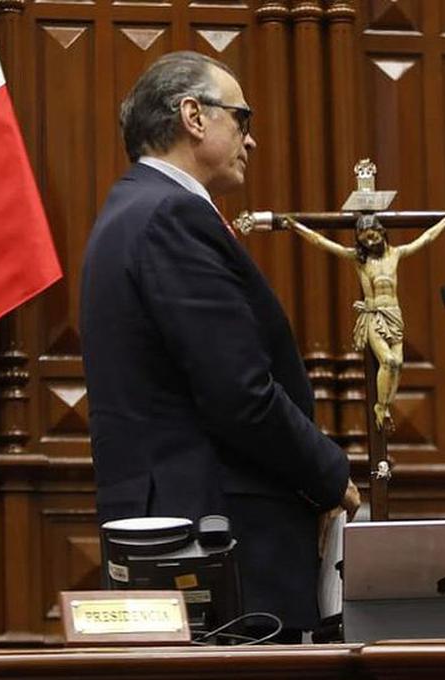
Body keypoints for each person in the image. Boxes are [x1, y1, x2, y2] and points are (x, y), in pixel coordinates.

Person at [80, 51, 359, 642]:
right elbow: (240, 393)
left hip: (167, 523)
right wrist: (330, 472)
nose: (251, 140)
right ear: (194, 116)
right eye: (242, 118)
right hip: (214, 531)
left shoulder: (130, 209)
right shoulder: (171, 215)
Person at [282, 210, 445, 431]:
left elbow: (427, 237)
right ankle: (381, 408)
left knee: (399, 364)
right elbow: (322, 242)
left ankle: (386, 404)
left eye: (372, 233)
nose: (369, 239)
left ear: (382, 232)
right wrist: (295, 226)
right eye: (364, 236)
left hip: (394, 315)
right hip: (374, 316)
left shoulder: (395, 254)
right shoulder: (360, 260)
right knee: (388, 361)